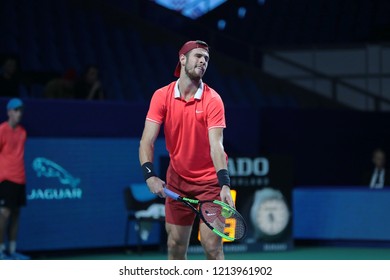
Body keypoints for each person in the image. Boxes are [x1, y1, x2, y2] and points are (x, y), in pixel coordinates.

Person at [139, 40, 234, 260]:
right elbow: (146, 141)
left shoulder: (213, 100)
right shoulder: (161, 96)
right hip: (178, 182)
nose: (203, 61)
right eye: (198, 56)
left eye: (206, 59)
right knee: (175, 244)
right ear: (182, 59)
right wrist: (150, 176)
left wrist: (225, 185)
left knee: (212, 247)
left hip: (210, 184)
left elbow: (216, 146)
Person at [0, 98, 29, 260]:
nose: (19, 114)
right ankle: (0, 251)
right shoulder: (1, 130)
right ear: (9, 112)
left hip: (20, 178)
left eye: (21, 111)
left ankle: (12, 250)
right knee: (4, 213)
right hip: (5, 178)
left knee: (16, 213)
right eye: (16, 110)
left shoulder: (23, 132)